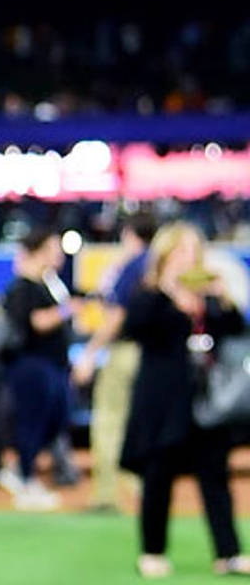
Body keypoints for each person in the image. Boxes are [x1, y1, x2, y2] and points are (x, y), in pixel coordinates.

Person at [120, 224, 250, 579]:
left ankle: (229, 553)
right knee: (158, 478)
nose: (187, 258)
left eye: (193, 251)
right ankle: (152, 551)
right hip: (163, 403)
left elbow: (235, 330)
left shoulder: (208, 295)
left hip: (206, 403)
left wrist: (220, 299)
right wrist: (173, 299)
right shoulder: (150, 294)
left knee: (215, 477)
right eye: (180, 251)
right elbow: (134, 329)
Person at [71, 213, 158, 514]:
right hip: (158, 355)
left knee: (109, 421)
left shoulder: (132, 266)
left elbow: (116, 317)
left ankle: (107, 496)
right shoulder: (161, 262)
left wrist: (90, 353)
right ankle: (144, 487)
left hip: (127, 351)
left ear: (130, 234)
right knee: (146, 423)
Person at [0, 228, 76, 511]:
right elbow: (36, 323)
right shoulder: (23, 287)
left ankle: (22, 470)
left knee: (57, 417)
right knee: (32, 422)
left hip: (51, 365)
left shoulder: (47, 284)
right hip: (31, 366)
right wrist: (69, 310)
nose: (59, 254)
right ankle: (23, 474)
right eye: (53, 247)